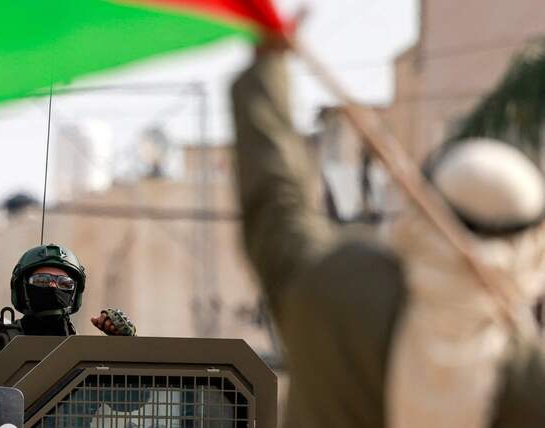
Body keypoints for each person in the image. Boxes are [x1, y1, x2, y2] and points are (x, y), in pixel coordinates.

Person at [231, 34, 545, 427]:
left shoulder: (335, 287)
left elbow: (275, 204)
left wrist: (268, 68)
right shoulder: (526, 376)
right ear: (531, 247)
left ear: (425, 210)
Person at [0, 243, 136, 384]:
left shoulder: (88, 356)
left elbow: (131, 401)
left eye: (64, 283)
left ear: (74, 293)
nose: (53, 287)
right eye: (41, 280)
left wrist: (124, 347)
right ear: (22, 288)